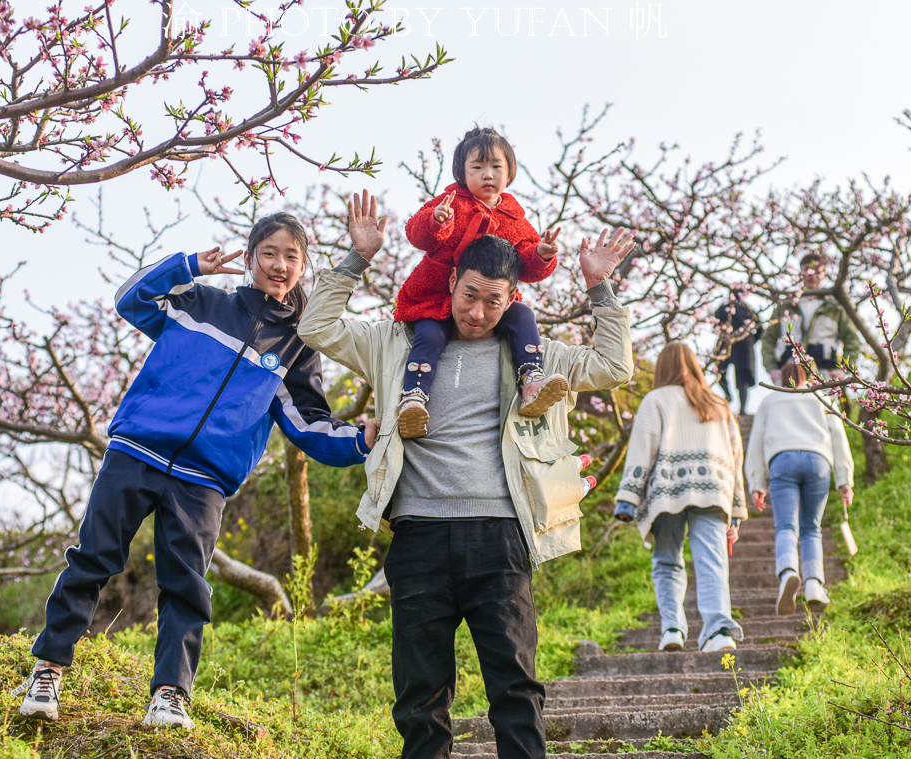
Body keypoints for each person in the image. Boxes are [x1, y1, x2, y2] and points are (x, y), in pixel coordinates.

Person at [298, 189, 635, 759]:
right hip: (419, 538)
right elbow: (317, 326)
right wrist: (357, 259)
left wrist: (599, 286)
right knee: (418, 695)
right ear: (451, 282)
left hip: (500, 537)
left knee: (515, 688)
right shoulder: (395, 343)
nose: (477, 313)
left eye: (494, 302)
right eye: (469, 295)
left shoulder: (536, 359)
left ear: (513, 299)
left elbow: (614, 365)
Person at [14, 212, 379, 728]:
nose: (279, 265)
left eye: (291, 257)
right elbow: (130, 299)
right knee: (93, 558)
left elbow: (308, 424)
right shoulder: (197, 303)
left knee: (186, 584)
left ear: (303, 267)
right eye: (268, 253)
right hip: (137, 452)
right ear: (250, 258)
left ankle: (169, 695)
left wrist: (361, 439)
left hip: (204, 479)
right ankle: (47, 670)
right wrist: (188, 266)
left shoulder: (295, 347)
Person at [395, 127, 567, 439]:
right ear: (462, 173)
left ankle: (531, 380)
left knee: (523, 317)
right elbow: (415, 233)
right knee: (430, 337)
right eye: (477, 168)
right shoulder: (451, 202)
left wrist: (541, 254)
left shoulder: (514, 218)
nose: (487, 175)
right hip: (435, 296)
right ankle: (413, 399)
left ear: (509, 171)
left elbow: (525, 265)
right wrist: (438, 221)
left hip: (488, 303)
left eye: (496, 167)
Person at [612, 343, 747, 653]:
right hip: (713, 492)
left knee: (667, 561)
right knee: (712, 562)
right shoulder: (718, 403)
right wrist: (736, 508)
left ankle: (672, 628)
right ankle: (718, 633)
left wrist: (628, 498)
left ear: (662, 368)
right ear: (694, 365)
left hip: (667, 493)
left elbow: (642, 449)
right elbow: (735, 456)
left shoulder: (655, 400)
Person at [746, 360, 854, 614]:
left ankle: (787, 574)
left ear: (780, 378)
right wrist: (844, 481)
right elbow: (838, 436)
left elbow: (756, 441)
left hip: (782, 460)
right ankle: (815, 585)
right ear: (807, 375)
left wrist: (756, 483)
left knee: (786, 526)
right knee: (811, 529)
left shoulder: (770, 400)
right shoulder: (821, 396)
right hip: (818, 462)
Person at [761, 252, 861, 385]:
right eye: (807, 270)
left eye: (816, 271)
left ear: (824, 274)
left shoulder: (834, 308)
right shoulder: (785, 306)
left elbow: (851, 339)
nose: (811, 274)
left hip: (824, 373)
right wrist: (772, 368)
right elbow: (768, 338)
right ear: (801, 273)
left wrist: (843, 371)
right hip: (788, 372)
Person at [714, 289, 760, 413]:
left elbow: (715, 324)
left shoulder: (724, 308)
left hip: (731, 343)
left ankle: (732, 398)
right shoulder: (748, 310)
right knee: (741, 378)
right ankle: (741, 407)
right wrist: (751, 340)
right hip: (742, 345)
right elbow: (760, 328)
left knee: (722, 372)